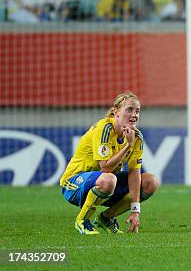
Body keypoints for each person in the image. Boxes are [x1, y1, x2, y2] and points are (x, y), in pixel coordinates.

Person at [59, 92, 160, 234]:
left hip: (105, 184)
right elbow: (105, 167)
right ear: (116, 112)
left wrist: (135, 210)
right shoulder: (104, 129)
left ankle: (105, 218)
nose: (134, 115)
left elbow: (134, 173)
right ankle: (82, 220)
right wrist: (128, 146)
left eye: (137, 111)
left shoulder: (136, 137)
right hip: (74, 183)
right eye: (129, 110)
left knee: (151, 182)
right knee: (109, 179)